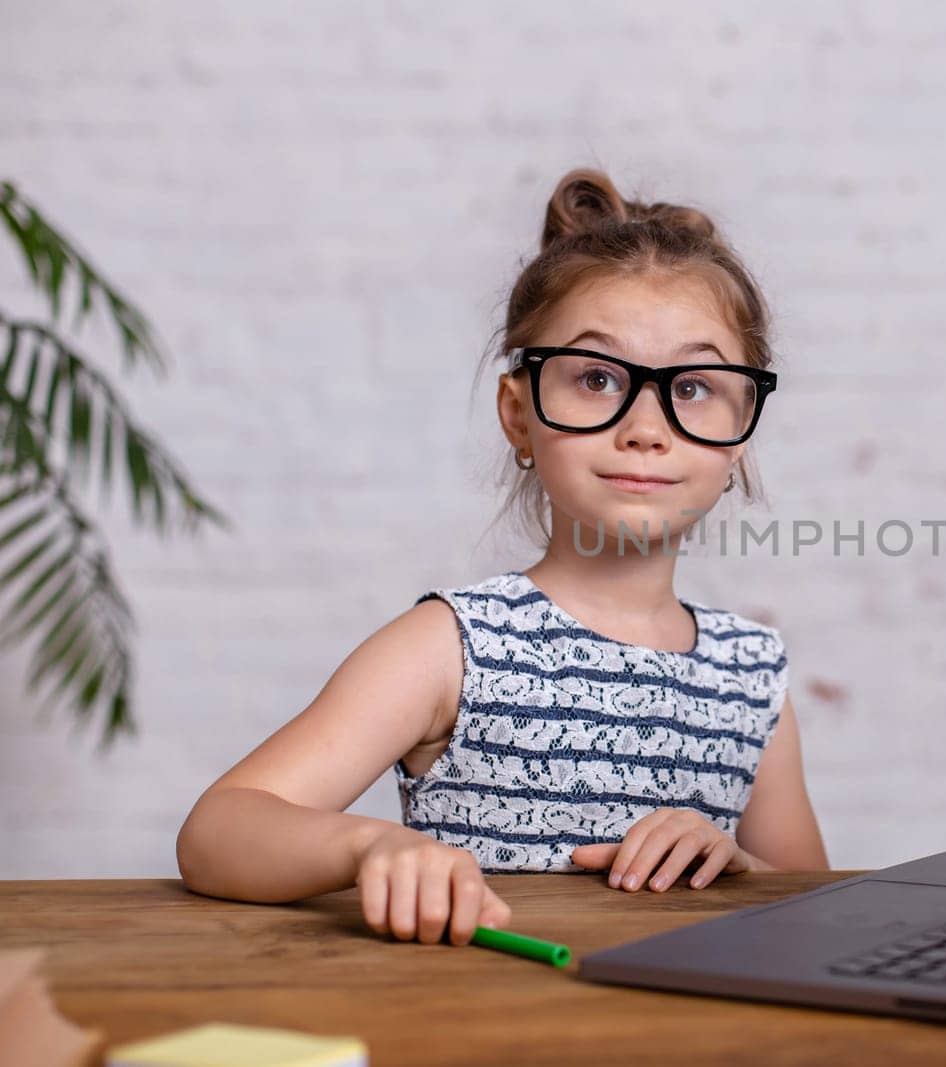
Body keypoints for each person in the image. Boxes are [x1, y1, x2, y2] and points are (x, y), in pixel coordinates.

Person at [176, 167, 829, 948]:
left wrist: (740, 865)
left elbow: (815, 910)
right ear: (518, 414)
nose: (647, 427)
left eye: (692, 387)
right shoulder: (453, 647)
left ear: (743, 427)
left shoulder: (751, 676)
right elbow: (217, 829)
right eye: (596, 377)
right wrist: (369, 845)